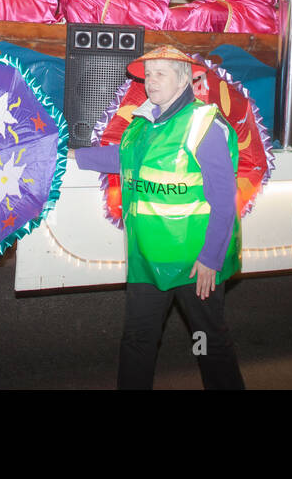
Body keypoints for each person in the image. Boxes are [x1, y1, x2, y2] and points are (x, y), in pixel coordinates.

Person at [75, 46, 244, 389]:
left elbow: (224, 200)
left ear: (184, 79)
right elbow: (122, 160)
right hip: (147, 261)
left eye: (161, 74)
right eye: (148, 74)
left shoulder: (203, 125)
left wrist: (210, 258)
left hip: (194, 264)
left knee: (205, 341)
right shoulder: (143, 123)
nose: (151, 82)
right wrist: (75, 157)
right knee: (138, 339)